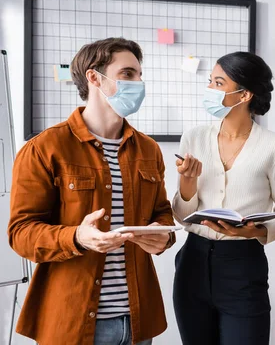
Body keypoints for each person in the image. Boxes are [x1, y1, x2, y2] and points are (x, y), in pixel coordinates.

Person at [8, 37, 176, 345]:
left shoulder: (149, 150)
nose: (138, 82)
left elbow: (162, 213)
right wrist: (77, 237)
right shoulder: (45, 148)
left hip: (139, 321)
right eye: (127, 73)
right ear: (94, 77)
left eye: (139, 74)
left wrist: (161, 235)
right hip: (72, 322)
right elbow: (21, 233)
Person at [171, 51, 275, 345]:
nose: (210, 90)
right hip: (192, 261)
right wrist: (187, 181)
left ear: (245, 94)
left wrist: (256, 231)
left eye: (218, 83)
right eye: (210, 82)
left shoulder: (274, 146)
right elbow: (180, 212)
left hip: (243, 265)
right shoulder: (194, 137)